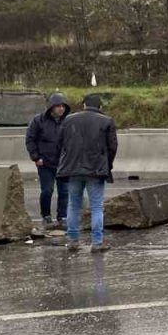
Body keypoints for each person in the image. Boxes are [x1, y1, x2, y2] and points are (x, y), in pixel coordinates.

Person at [57, 94, 118, 253]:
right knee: (97, 206)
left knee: (73, 204)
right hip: (96, 170)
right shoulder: (106, 121)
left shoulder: (69, 119)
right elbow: (112, 147)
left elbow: (60, 143)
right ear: (100, 107)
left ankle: (72, 240)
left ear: (83, 105)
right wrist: (107, 164)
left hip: (72, 168)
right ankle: (97, 242)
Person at [25, 92, 71, 229]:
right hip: (45, 162)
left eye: (63, 106)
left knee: (64, 191)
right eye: (58, 106)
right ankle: (46, 215)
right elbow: (30, 139)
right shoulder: (39, 120)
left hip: (64, 162)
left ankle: (62, 217)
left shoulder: (69, 121)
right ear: (51, 107)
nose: (61, 109)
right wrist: (36, 157)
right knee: (47, 190)